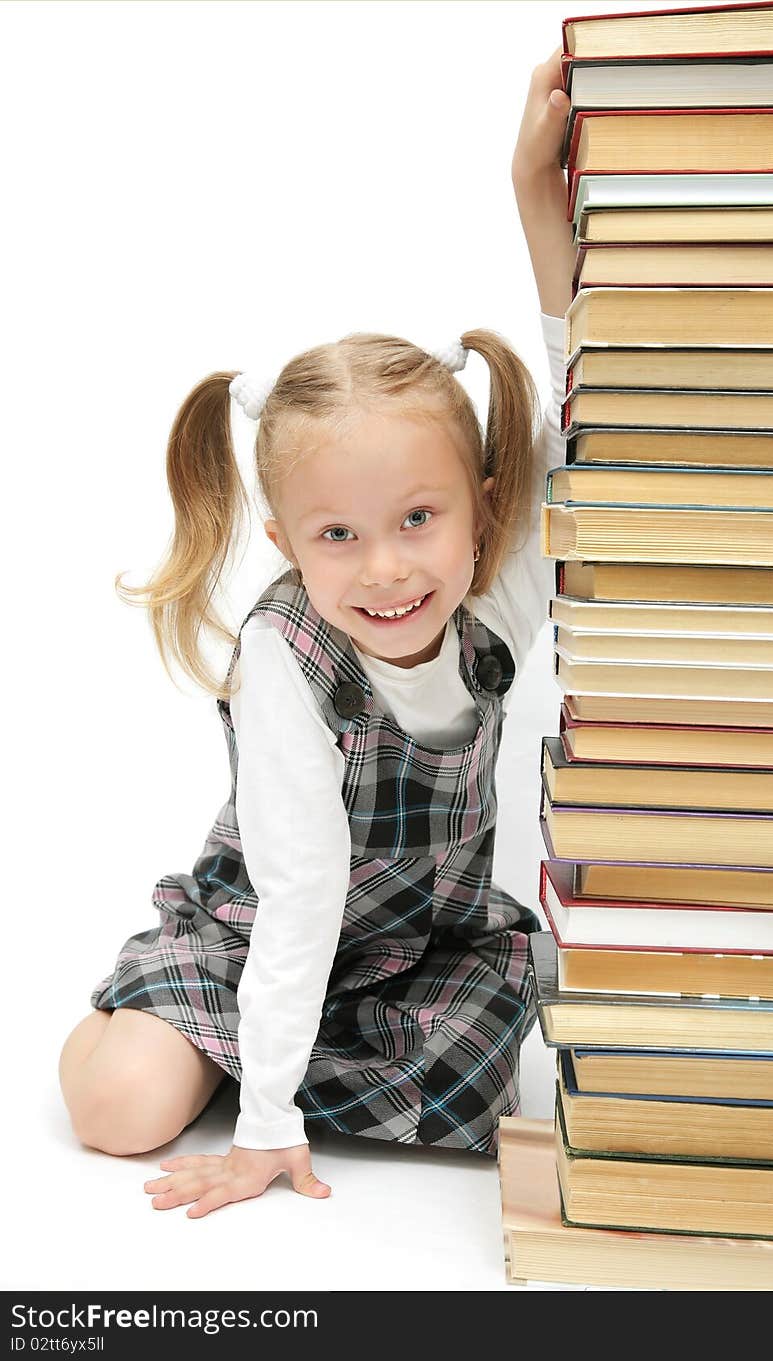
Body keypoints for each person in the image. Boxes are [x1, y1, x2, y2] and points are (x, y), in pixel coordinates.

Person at [58, 49, 576, 1219]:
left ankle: (261, 1055)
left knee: (477, 1106)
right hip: (267, 929)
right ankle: (174, 1018)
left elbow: (583, 404)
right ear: (288, 542)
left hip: (418, 951)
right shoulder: (285, 661)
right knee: (120, 1112)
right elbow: (301, 894)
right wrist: (265, 1130)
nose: (387, 567)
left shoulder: (492, 602)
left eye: (418, 518)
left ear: (484, 507)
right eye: (338, 533)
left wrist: (531, 199)